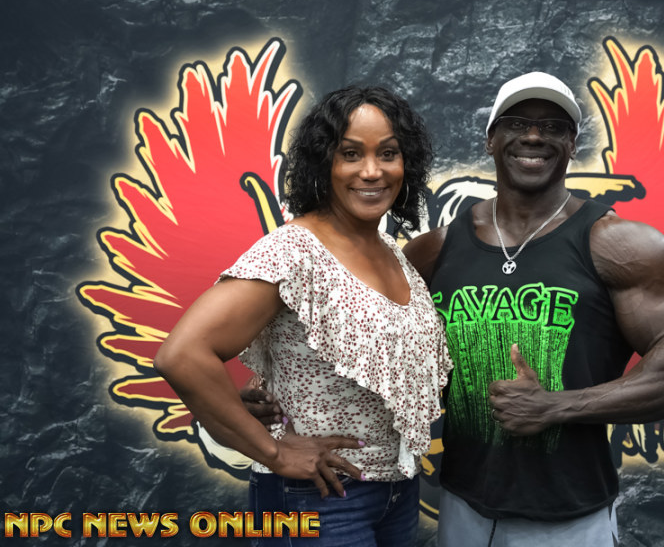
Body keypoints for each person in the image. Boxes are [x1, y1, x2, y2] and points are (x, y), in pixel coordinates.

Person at [244, 72, 664, 546]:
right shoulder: (434, 250)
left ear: (572, 144)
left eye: (553, 126)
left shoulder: (619, 245)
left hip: (568, 514)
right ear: (491, 139)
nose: (534, 136)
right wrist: (274, 400)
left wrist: (556, 406)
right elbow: (371, 345)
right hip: (463, 505)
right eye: (517, 123)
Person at [154, 86, 452, 547]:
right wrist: (273, 452)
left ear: (406, 164)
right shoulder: (294, 251)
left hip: (397, 493)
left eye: (388, 153)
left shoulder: (392, 253)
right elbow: (182, 355)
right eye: (350, 153)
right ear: (323, 163)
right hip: (321, 497)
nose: (372, 170)